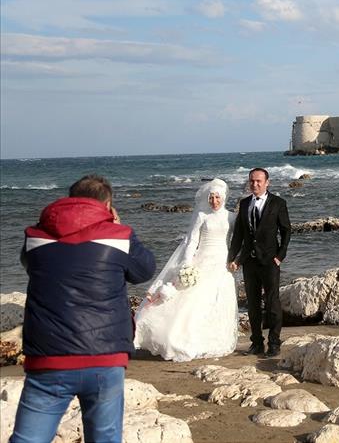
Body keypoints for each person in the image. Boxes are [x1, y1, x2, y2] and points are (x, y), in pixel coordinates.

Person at [13, 175, 156, 443]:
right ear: (109, 205)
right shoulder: (119, 237)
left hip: (48, 357)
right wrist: (123, 229)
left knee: (28, 439)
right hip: (105, 355)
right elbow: (144, 269)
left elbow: (29, 264)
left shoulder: (35, 238)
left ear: (70, 199)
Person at [134, 179, 239, 362]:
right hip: (202, 261)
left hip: (222, 264)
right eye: (211, 197)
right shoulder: (202, 216)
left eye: (217, 197)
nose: (214, 201)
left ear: (223, 198)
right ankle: (178, 338)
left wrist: (236, 260)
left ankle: (211, 339)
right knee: (192, 301)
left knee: (216, 301)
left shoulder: (232, 217)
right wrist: (187, 263)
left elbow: (237, 241)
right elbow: (191, 242)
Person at [227, 167, 290, 357]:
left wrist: (280, 256)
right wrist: (232, 258)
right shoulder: (245, 203)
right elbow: (239, 234)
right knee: (253, 304)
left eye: (258, 181)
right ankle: (256, 343)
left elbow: (286, 231)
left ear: (267, 182)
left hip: (270, 260)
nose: (254, 184)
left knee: (272, 303)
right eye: (252, 181)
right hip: (249, 261)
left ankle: (274, 342)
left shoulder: (278, 203)